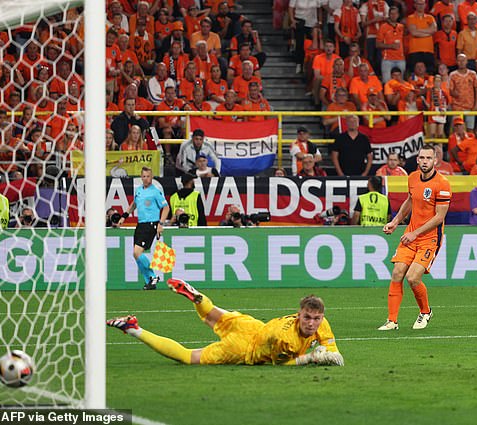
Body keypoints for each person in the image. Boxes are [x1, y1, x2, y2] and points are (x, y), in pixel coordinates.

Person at [107, 279, 344, 366]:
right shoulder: (286, 340)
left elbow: (331, 345)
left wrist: (332, 352)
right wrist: (311, 358)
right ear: (299, 314)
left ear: (321, 317)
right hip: (242, 348)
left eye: (316, 319)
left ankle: (198, 297)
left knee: (212, 315)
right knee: (188, 357)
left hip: (251, 325)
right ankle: (134, 329)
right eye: (307, 318)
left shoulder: (322, 323)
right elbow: (283, 364)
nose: (312, 323)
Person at [378, 144, 452, 331]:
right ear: (417, 159)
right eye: (422, 158)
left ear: (435, 160)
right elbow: (410, 200)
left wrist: (415, 233)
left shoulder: (442, 184)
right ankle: (392, 321)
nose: (425, 161)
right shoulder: (412, 178)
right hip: (410, 235)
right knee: (397, 273)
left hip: (429, 238)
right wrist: (395, 222)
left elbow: (439, 217)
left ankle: (425, 312)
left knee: (412, 278)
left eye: (428, 158)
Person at [117, 167, 170, 290]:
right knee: (136, 254)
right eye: (144, 176)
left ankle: (152, 275)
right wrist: (124, 216)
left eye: (148, 176)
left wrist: (160, 224)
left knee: (137, 252)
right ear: (141, 177)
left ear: (152, 177)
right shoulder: (139, 190)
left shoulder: (155, 192)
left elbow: (166, 208)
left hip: (151, 224)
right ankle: (150, 281)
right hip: (140, 224)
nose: (146, 179)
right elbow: (134, 204)